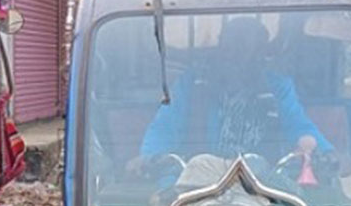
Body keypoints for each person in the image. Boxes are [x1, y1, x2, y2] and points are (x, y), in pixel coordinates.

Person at [134, 17, 338, 181]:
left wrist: (325, 152)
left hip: (262, 181)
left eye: (246, 49)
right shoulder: (192, 82)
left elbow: (299, 125)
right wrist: (149, 157)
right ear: (220, 46)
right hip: (196, 178)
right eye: (230, 47)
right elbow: (165, 124)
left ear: (260, 53)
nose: (237, 57)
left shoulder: (278, 86)